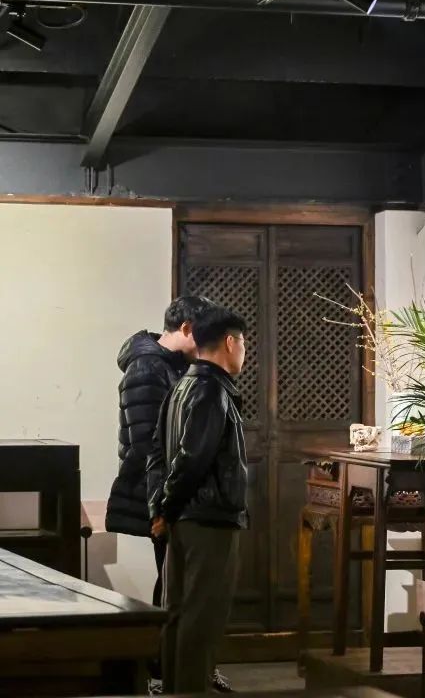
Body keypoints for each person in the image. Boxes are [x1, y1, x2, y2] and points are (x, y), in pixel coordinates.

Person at [104, 297, 234, 693]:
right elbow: (149, 444)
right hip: (162, 492)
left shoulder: (175, 365)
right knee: (176, 588)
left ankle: (182, 668)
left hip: (176, 490)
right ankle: (165, 673)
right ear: (187, 328)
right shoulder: (147, 366)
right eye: (204, 332)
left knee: (182, 586)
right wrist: (163, 504)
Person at [148, 306, 249, 695]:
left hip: (183, 519)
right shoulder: (211, 390)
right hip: (207, 520)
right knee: (201, 618)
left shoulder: (181, 386)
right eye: (244, 343)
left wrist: (161, 510)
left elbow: (157, 456)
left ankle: (177, 690)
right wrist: (168, 508)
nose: (244, 352)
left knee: (178, 613)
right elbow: (192, 458)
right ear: (230, 342)